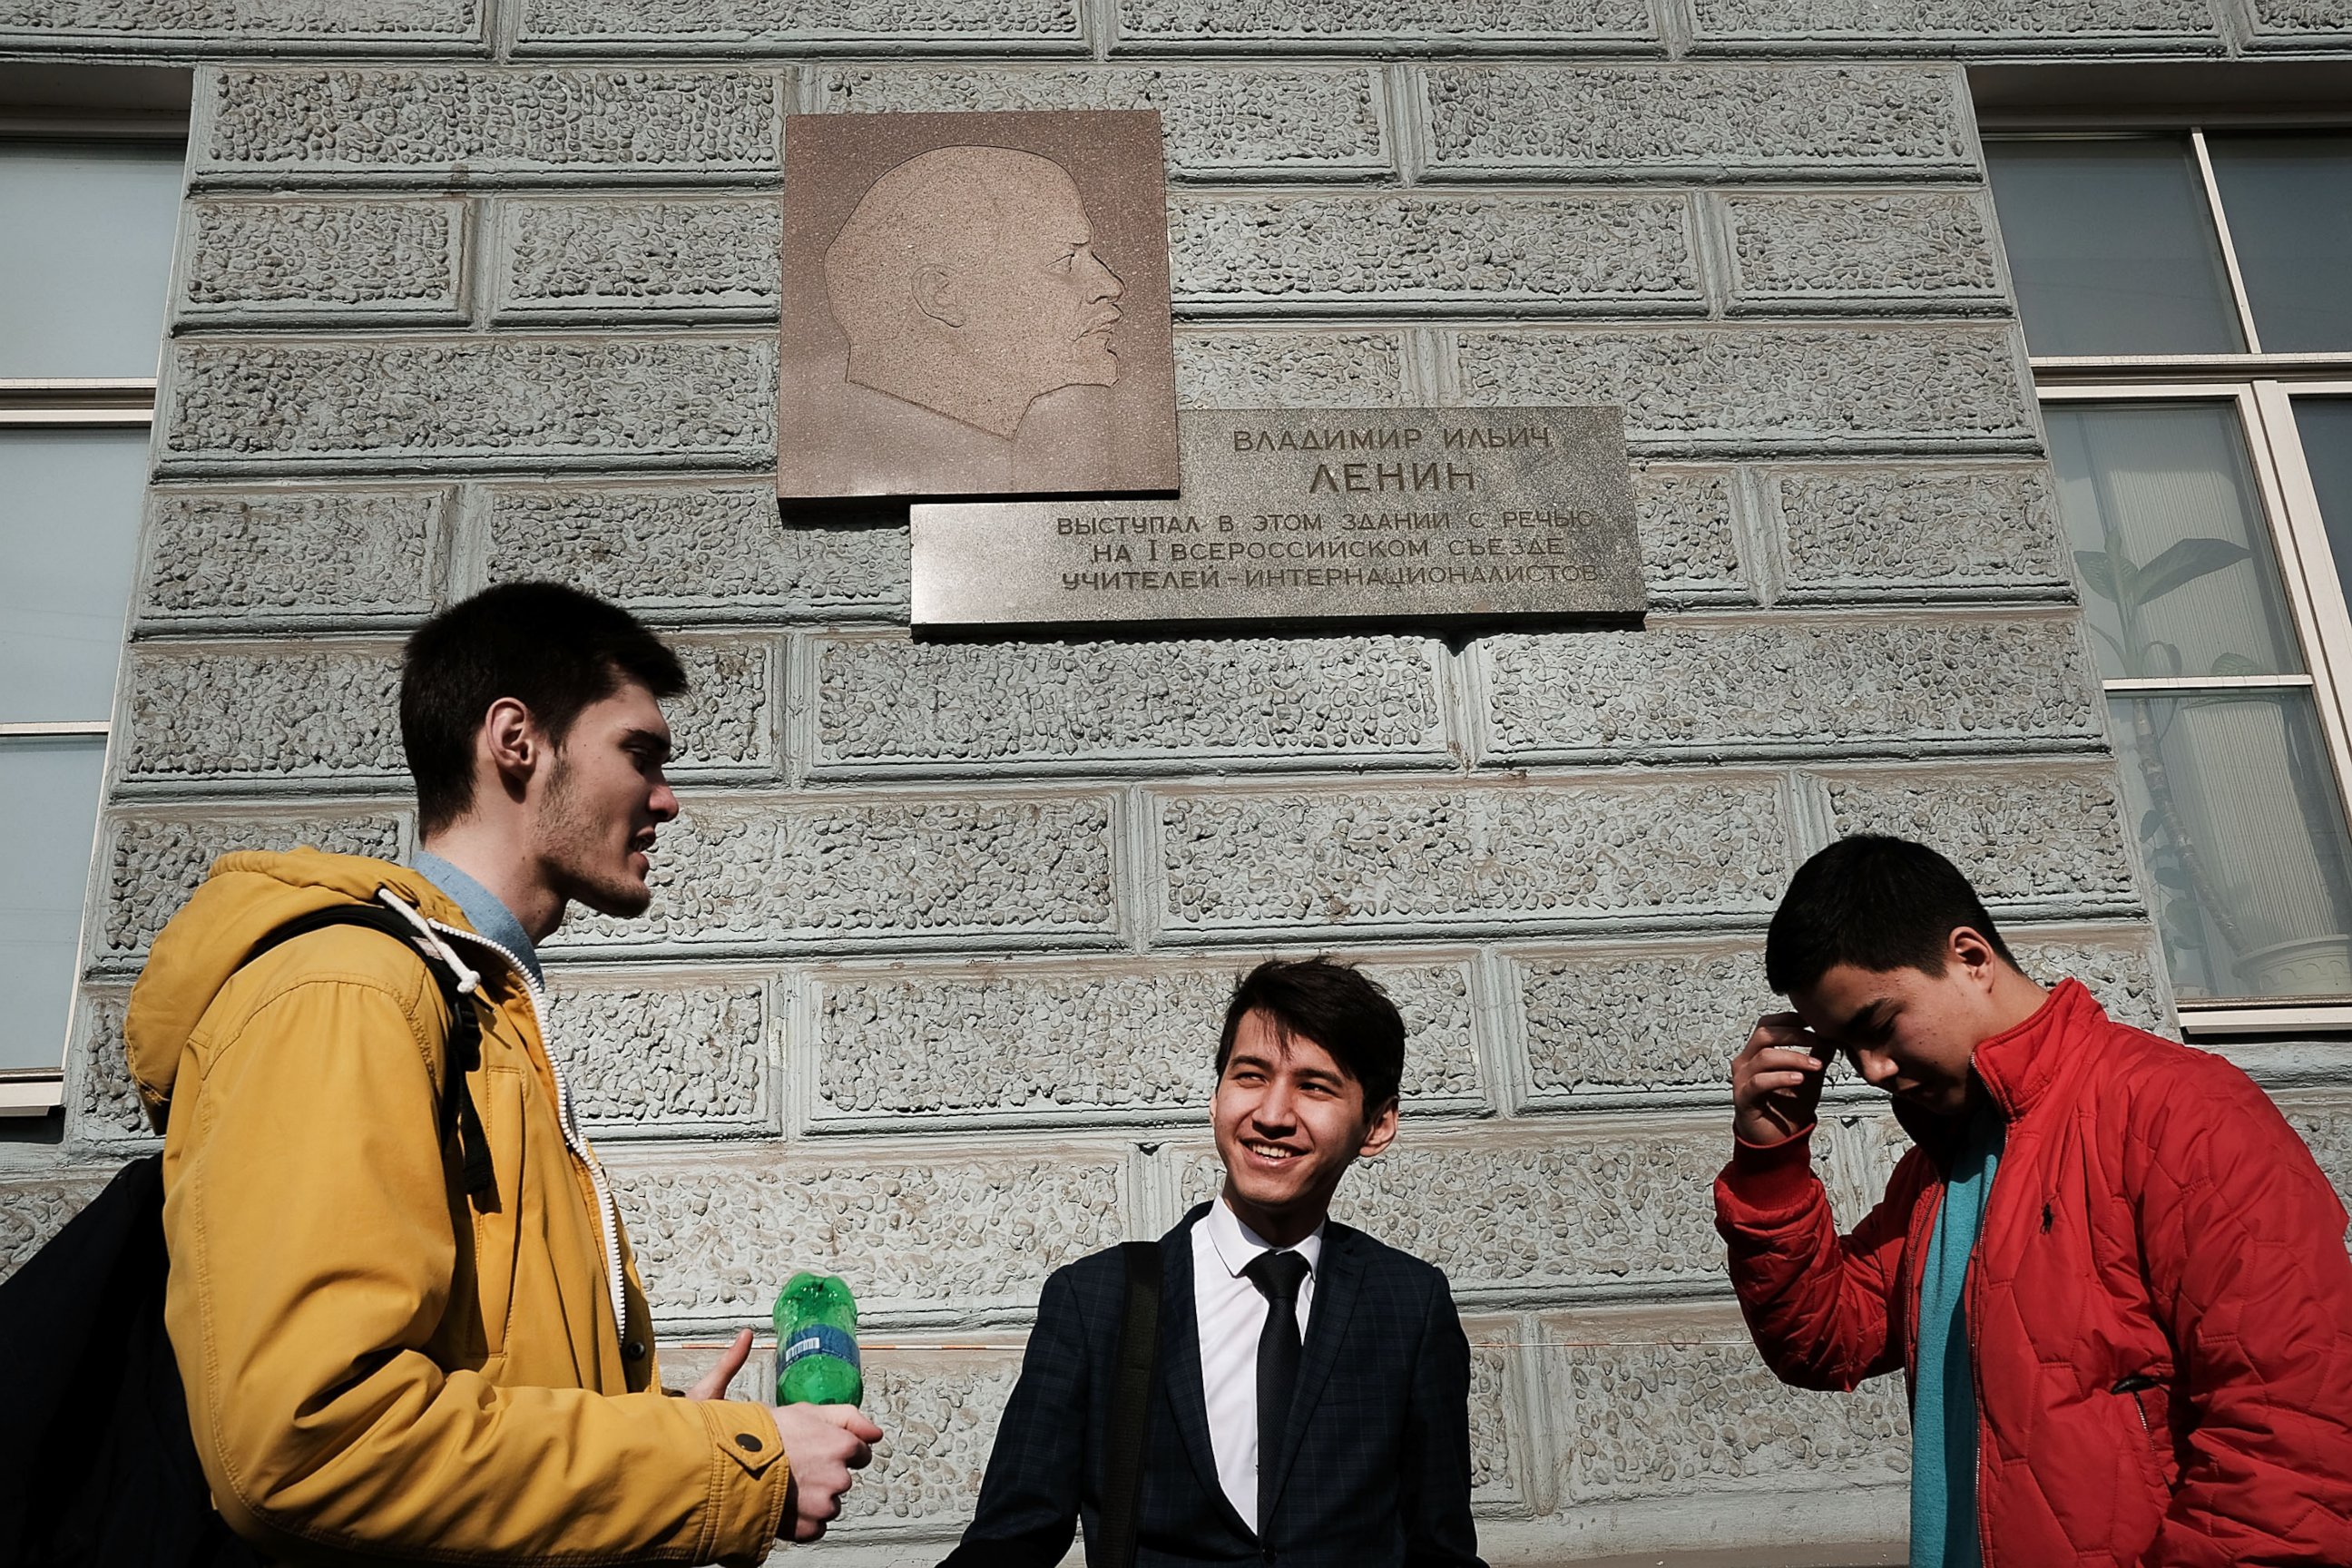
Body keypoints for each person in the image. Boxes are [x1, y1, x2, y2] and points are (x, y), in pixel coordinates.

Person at [125, 582, 882, 1564]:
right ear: (516, 742)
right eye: (639, 755)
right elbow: (309, 1438)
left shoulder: (472, 1011)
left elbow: (486, 1383)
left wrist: (656, 1448)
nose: (667, 800)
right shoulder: (348, 992)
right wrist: (718, 1464)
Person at [1716, 834, 2352, 1566]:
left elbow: (2291, 1444)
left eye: (1880, 1027)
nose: (1873, 1070)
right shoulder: (1935, 1172)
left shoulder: (2185, 1114)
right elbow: (1825, 1342)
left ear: (1972, 958)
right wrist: (1771, 1161)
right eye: (1842, 1048)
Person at [942, 957, 1485, 1568]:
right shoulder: (1096, 1300)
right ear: (1216, 1095)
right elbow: (1009, 1542)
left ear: (1378, 1124)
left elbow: (1440, 1549)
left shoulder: (1410, 1302)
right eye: (1250, 1075)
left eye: (1314, 1086)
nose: (1273, 1114)